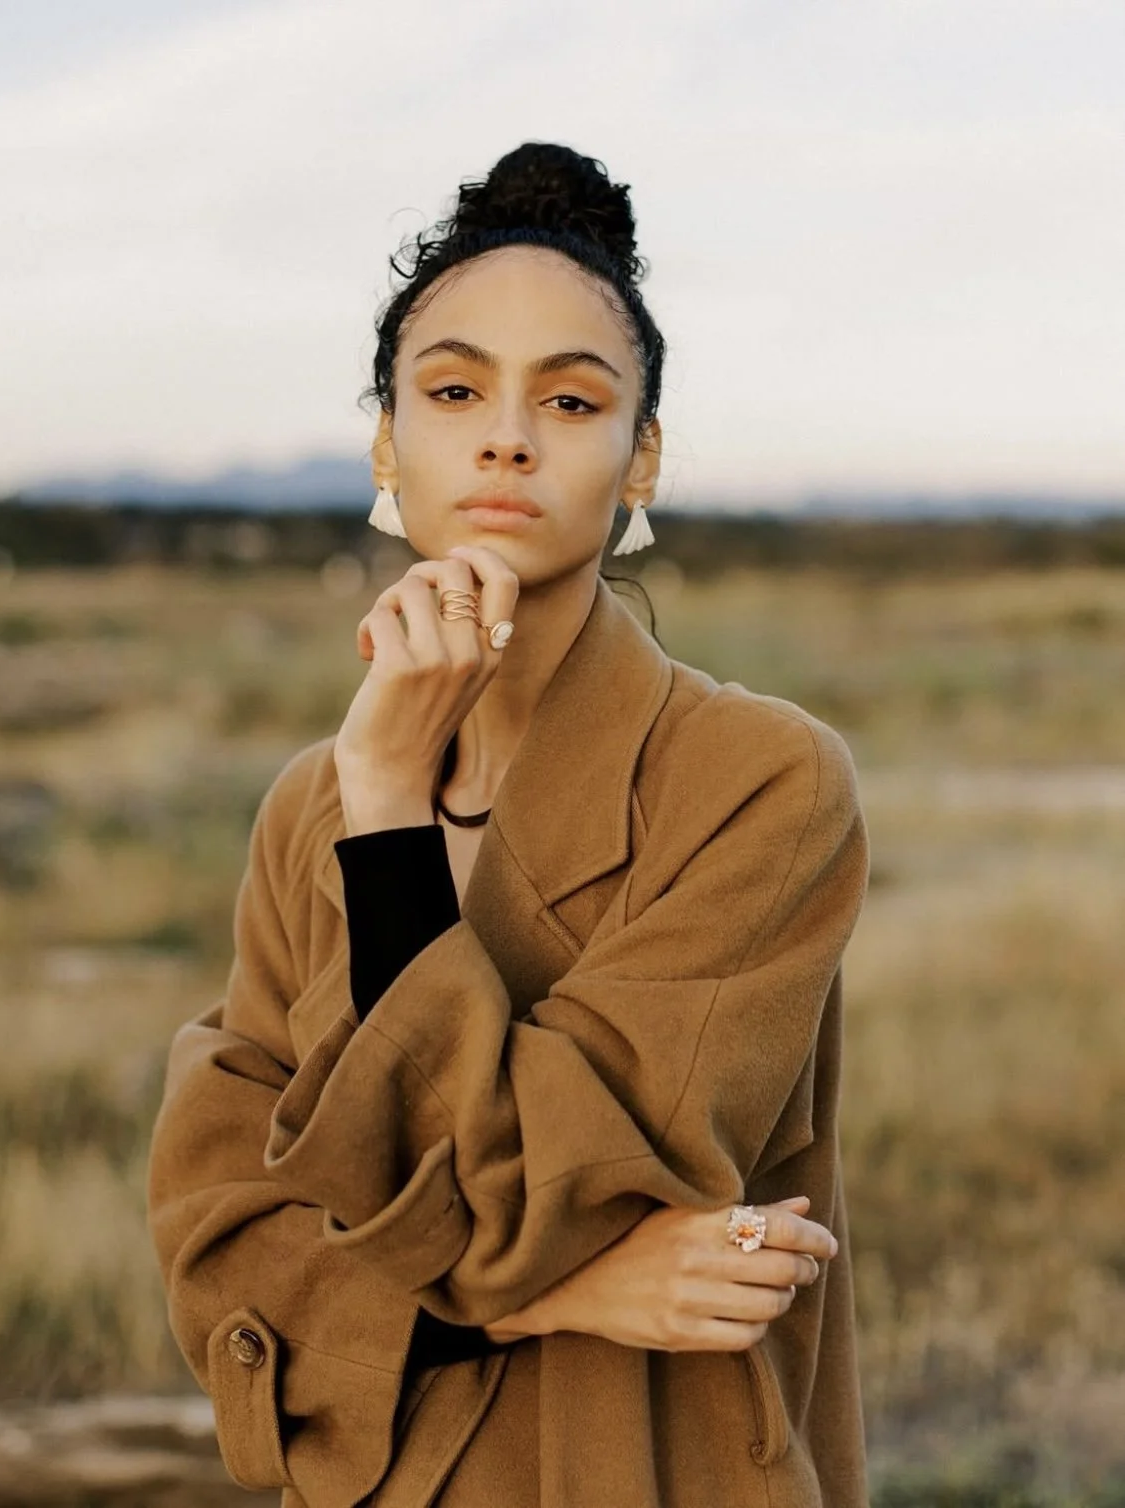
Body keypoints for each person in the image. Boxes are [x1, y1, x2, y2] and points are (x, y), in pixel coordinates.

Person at [146, 140, 871, 1507]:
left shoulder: (760, 782)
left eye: (573, 399)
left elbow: (537, 1198)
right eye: (454, 388)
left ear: (638, 457)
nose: (505, 434)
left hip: (658, 1469)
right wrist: (548, 1301)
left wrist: (390, 840)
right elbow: (213, 1223)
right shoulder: (315, 797)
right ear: (386, 442)